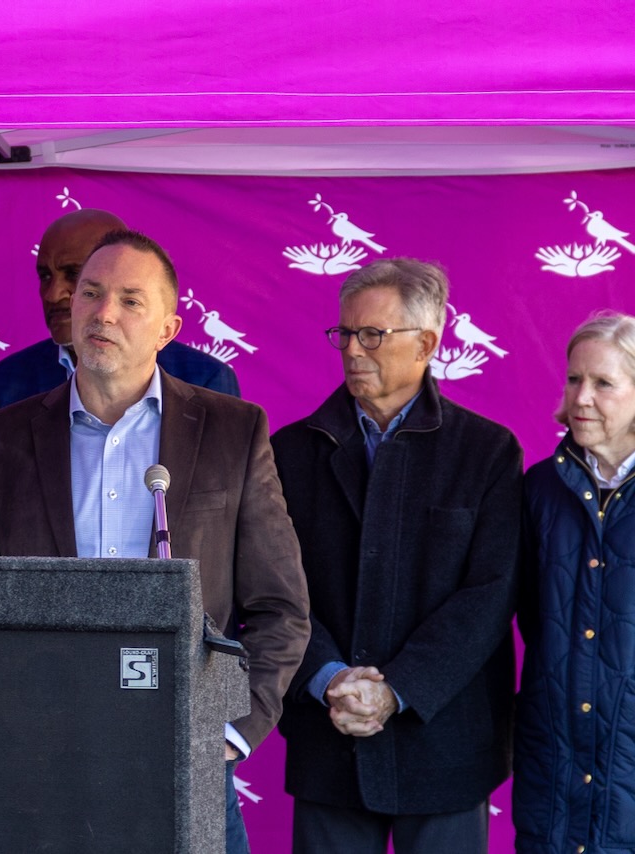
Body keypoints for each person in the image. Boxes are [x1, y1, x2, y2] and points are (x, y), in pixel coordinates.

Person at [0, 228, 310, 853]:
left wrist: (230, 731)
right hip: (41, 763)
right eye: (90, 293)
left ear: (168, 329)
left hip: (186, 760)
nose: (103, 312)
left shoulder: (232, 430)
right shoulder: (3, 437)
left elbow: (281, 608)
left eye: (130, 300)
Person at [271, 258, 522, 854]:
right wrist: (331, 679)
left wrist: (396, 689)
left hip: (446, 747)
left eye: (372, 334)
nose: (352, 350)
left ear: (427, 345)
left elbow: (489, 595)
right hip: (328, 741)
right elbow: (275, 589)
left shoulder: (487, 452)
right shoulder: (290, 450)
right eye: (344, 333)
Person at [514, 311, 635, 854]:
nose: (581, 397)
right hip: (554, 773)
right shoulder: (539, 489)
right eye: (574, 379)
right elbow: (526, 617)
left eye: (604, 383)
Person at [0, 208, 239, 419]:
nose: (52, 295)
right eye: (45, 276)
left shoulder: (204, 380)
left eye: (74, 275)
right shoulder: (5, 385)